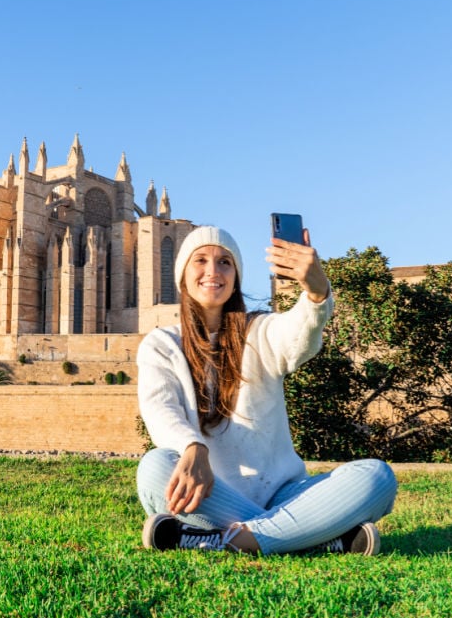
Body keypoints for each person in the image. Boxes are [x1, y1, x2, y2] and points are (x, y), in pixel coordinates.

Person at [136, 225, 397, 555]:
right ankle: (310, 538)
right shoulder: (162, 344)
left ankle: (222, 541)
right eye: (200, 260)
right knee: (154, 467)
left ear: (236, 276)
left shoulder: (260, 331)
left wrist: (316, 293)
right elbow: (160, 408)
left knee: (377, 477)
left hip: (285, 493)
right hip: (210, 495)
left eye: (225, 262)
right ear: (183, 275)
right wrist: (192, 447)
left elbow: (298, 334)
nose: (213, 271)